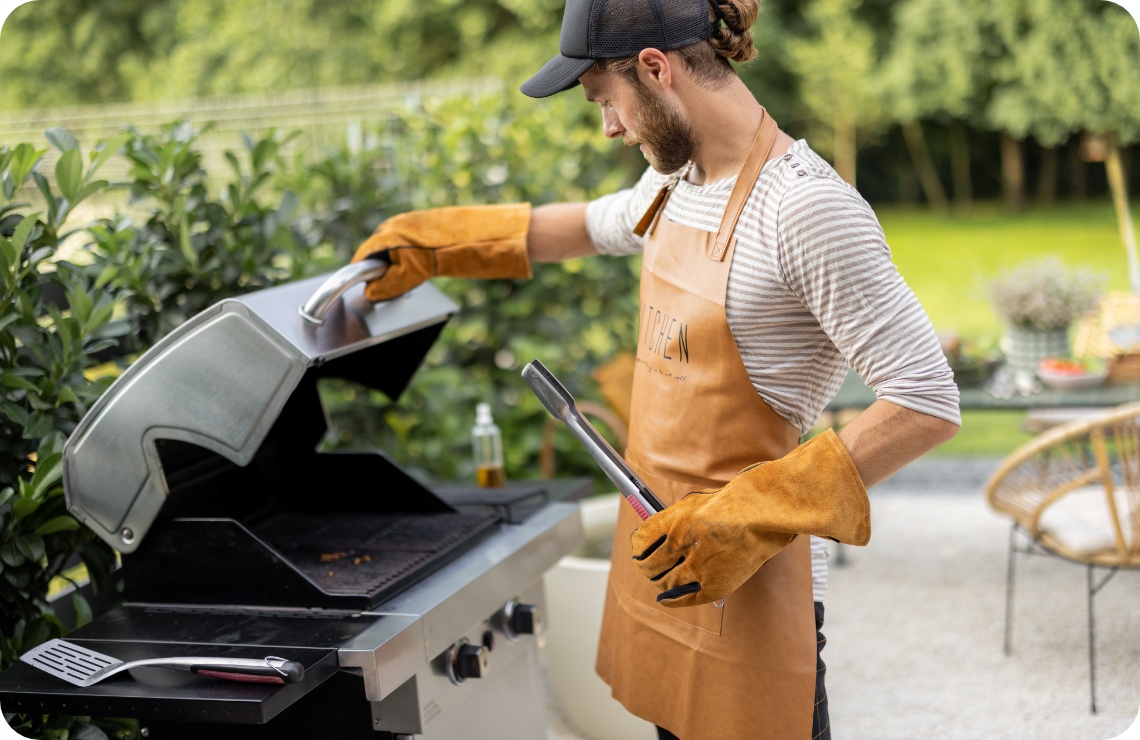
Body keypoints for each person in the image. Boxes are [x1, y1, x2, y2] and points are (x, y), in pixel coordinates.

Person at [351, 1, 961, 737]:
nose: (608, 127)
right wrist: (438, 245)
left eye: (604, 99)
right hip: (670, 565)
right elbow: (591, 225)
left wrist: (745, 514)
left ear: (655, 68)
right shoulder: (679, 181)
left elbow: (925, 398)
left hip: (752, 591)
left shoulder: (805, 209)